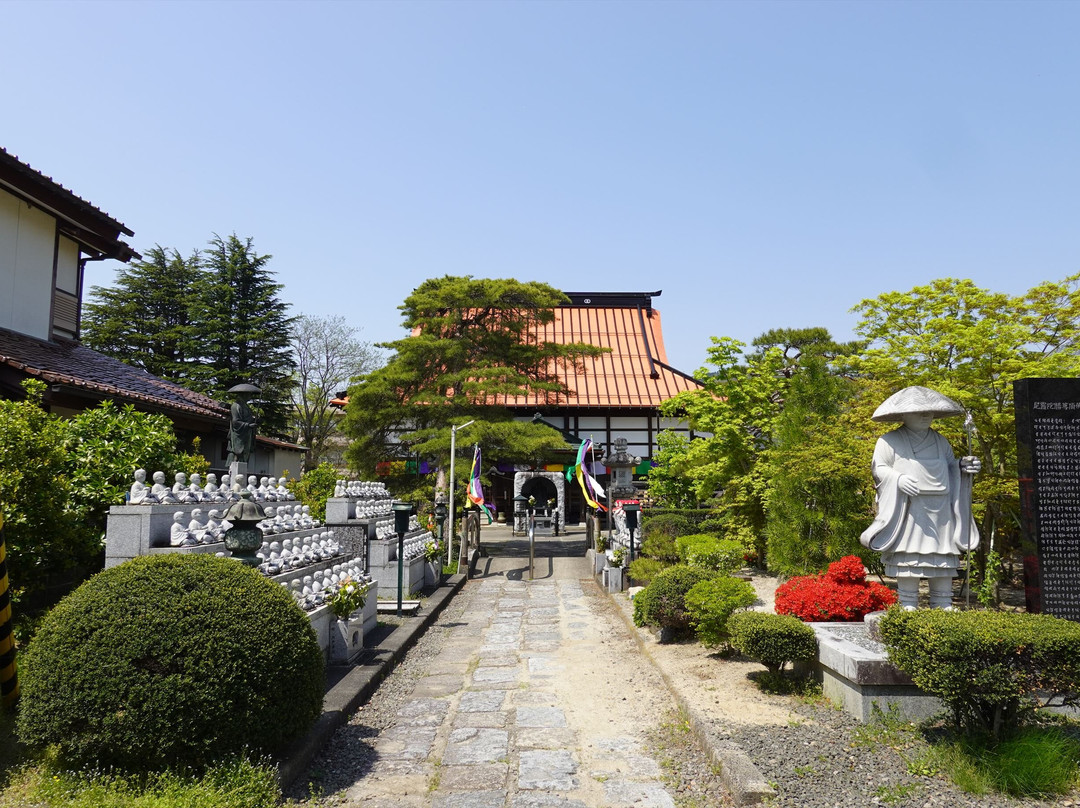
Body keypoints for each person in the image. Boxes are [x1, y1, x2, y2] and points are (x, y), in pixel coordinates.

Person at [860, 386, 981, 610]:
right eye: (918, 412)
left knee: (942, 556)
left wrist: (963, 467)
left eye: (929, 412)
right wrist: (897, 479)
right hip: (909, 509)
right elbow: (879, 469)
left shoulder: (940, 441)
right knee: (909, 556)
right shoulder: (889, 441)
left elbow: (950, 468)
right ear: (903, 415)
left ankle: (943, 602)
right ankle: (907, 602)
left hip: (941, 510)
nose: (926, 416)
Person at [226, 390, 258, 465]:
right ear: (243, 394)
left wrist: (255, 421)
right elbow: (235, 422)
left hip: (247, 434)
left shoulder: (246, 406)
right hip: (239, 435)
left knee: (245, 456)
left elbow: (248, 419)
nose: (250, 397)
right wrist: (248, 425)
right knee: (238, 456)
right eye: (249, 394)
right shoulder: (236, 406)